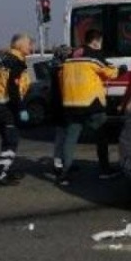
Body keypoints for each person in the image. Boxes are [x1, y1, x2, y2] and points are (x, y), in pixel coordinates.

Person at [57, 29, 120, 185]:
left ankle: (64, 174)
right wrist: (120, 69)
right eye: (101, 42)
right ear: (96, 41)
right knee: (101, 137)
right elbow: (110, 73)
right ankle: (105, 170)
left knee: (71, 139)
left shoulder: (70, 57)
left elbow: (60, 77)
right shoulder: (94, 56)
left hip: (71, 103)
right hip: (92, 104)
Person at [0, 33, 34, 185]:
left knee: (8, 139)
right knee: (11, 140)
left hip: (1, 103)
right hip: (6, 105)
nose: (31, 46)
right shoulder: (15, 62)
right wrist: (21, 108)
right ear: (20, 45)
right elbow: (13, 88)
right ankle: (0, 175)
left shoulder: (6, 58)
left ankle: (6, 170)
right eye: (29, 43)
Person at [48, 45, 73, 178]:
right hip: (61, 106)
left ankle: (64, 160)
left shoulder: (56, 66)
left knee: (65, 135)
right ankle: (58, 163)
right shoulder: (59, 68)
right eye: (69, 54)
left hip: (61, 105)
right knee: (62, 136)